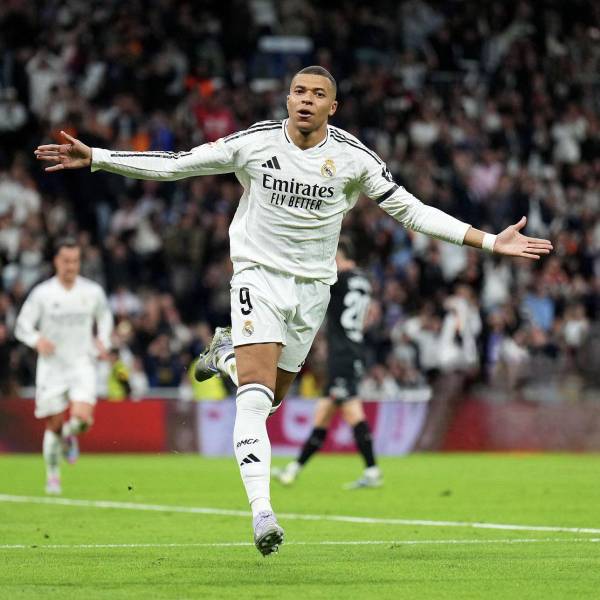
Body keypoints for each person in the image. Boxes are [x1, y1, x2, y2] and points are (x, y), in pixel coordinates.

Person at [35, 66, 552, 555]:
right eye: (299, 92)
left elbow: (411, 211)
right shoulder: (256, 142)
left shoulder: (354, 158)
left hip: (312, 292)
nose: (306, 100)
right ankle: (262, 513)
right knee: (255, 400)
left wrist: (489, 241)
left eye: (317, 94)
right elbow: (178, 163)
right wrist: (99, 157)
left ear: (333, 106)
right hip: (257, 277)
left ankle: (227, 355)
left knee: (272, 398)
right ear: (287, 98)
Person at [272, 236, 382, 489]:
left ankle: (373, 471)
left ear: (339, 256)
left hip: (342, 354)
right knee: (322, 414)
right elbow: (370, 314)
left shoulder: (339, 280)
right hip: (352, 348)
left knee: (352, 411)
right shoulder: (363, 280)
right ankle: (293, 469)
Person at [15, 238, 113, 494]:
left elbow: (105, 317)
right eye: (66, 261)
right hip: (52, 367)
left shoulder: (92, 292)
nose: (71, 266)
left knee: (82, 420)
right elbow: (22, 325)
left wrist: (103, 341)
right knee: (54, 425)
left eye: (75, 261)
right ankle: (53, 476)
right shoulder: (43, 293)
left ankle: (70, 435)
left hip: (82, 363)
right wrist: (37, 340)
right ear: (56, 262)